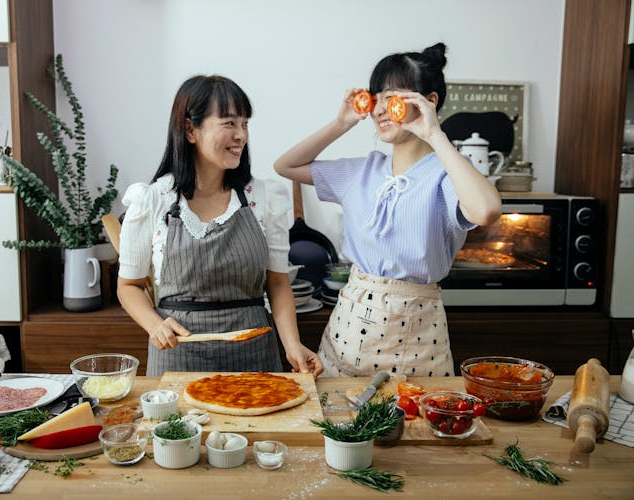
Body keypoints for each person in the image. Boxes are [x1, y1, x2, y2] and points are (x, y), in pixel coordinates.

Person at [274, 43, 501, 378]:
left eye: (391, 97)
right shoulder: (361, 171)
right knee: (338, 425)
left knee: (416, 427)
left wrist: (435, 133)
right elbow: (285, 165)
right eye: (375, 97)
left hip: (419, 339)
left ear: (429, 102)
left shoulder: (446, 173)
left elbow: (486, 210)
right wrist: (341, 123)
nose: (379, 109)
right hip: (348, 335)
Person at [117, 75, 323, 377]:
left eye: (245, 124)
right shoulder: (152, 200)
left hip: (254, 358)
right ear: (190, 130)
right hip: (178, 360)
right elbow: (129, 286)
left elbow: (278, 284)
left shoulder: (264, 197)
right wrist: (155, 325)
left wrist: (292, 346)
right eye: (229, 123)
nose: (241, 135)